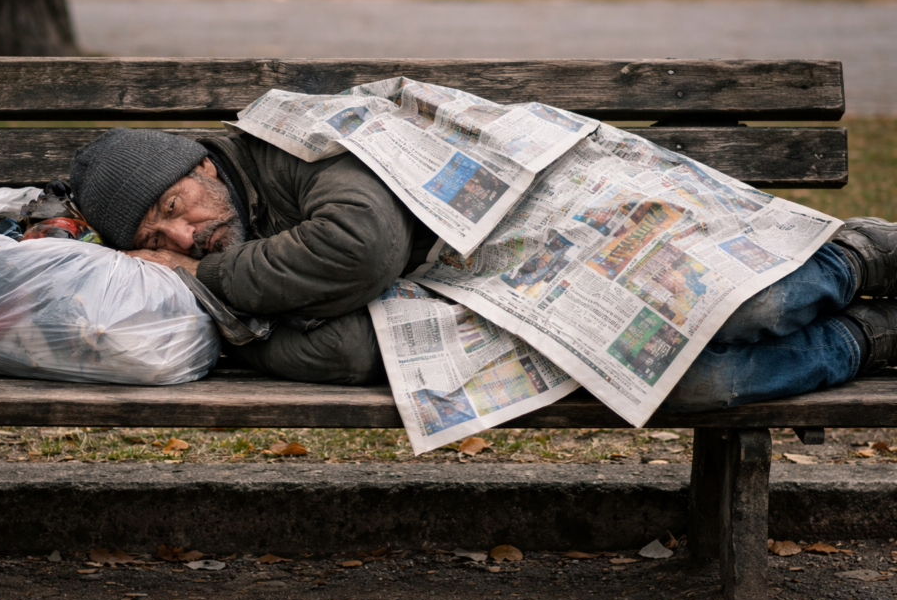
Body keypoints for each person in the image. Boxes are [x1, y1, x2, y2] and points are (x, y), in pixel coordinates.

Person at [67, 128, 897, 412]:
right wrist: (248, 320)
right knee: (691, 386)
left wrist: (211, 281)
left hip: (576, 222)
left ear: (206, 169)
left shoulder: (294, 154)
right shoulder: (213, 266)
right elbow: (353, 353)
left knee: (753, 308)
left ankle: (856, 256)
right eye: (159, 235)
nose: (183, 235)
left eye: (178, 203)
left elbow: (363, 248)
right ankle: (867, 338)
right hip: (511, 308)